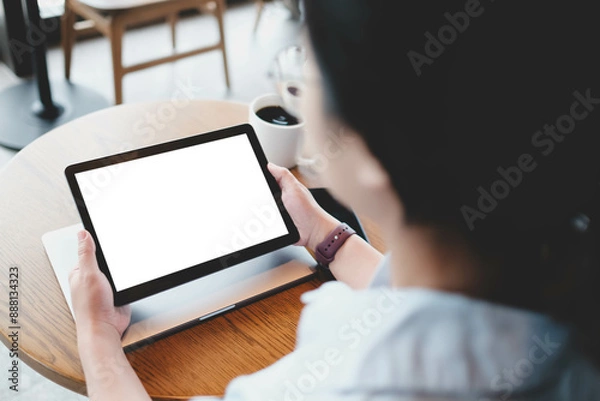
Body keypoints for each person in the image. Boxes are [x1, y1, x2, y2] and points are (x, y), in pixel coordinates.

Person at [69, 1, 600, 399]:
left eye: (309, 74)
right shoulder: (557, 287)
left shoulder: (348, 382)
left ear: (370, 153)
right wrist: (325, 235)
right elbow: (446, 315)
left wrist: (96, 333)